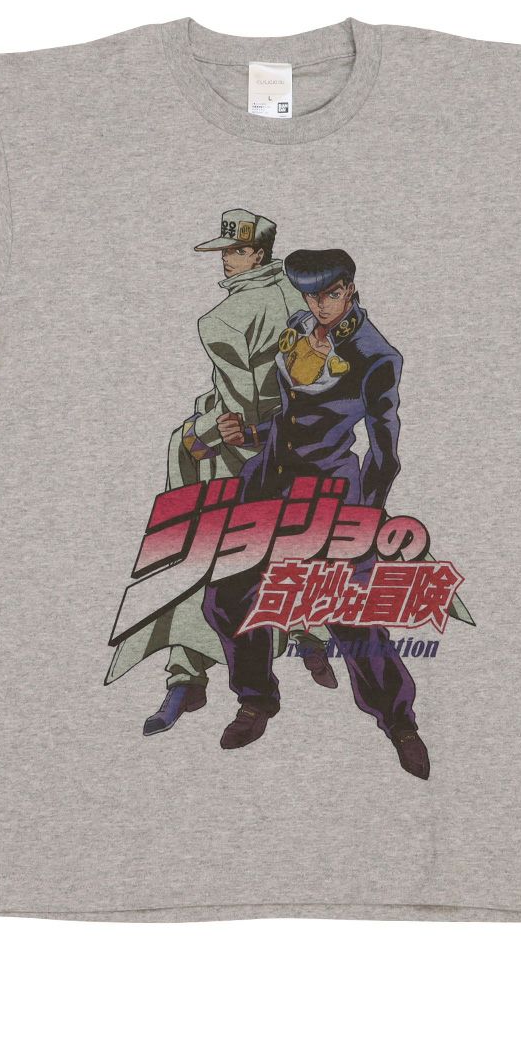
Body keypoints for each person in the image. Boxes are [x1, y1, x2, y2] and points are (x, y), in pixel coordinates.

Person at [104, 210, 336, 735]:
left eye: (235, 251)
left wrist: (202, 434)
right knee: (283, 547)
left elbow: (240, 409)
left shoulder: (225, 320)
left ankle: (190, 677)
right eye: (226, 252)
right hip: (304, 445)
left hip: (246, 455)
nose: (227, 260)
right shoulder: (306, 297)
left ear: (258, 254)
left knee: (201, 561)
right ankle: (305, 638)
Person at [203, 248, 431, 779]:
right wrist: (251, 433)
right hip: (268, 481)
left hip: (330, 493)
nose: (319, 305)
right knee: (228, 597)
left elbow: (385, 453)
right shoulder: (298, 329)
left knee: (348, 611)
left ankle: (399, 722)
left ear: (349, 289)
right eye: (311, 295)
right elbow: (292, 417)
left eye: (330, 294)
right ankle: (256, 699)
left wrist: (365, 519)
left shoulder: (376, 356)